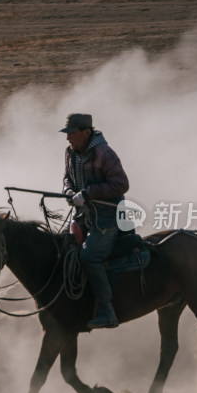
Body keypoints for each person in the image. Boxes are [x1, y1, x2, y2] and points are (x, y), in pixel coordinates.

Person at [61, 113, 129, 329]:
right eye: (68, 133)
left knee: (89, 257)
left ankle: (107, 311)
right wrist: (69, 191)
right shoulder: (70, 153)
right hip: (84, 215)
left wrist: (88, 193)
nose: (68, 138)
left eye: (72, 133)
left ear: (86, 132)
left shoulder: (105, 153)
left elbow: (121, 185)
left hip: (108, 218)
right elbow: (66, 179)